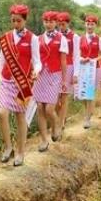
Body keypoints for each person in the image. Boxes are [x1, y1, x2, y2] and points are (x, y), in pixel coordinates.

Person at [0, 4, 42, 166]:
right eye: (13, 20)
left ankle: (21, 152)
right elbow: (2, 59)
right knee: (2, 113)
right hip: (6, 80)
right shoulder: (7, 37)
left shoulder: (33, 38)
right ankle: (8, 147)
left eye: (18, 21)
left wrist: (36, 71)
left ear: (24, 20)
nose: (15, 24)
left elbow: (37, 62)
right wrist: (1, 78)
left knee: (20, 117)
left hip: (23, 83)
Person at [32, 11, 68, 150]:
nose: (48, 24)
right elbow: (34, 59)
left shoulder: (61, 39)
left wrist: (64, 81)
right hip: (41, 75)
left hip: (55, 74)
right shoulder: (38, 39)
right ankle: (43, 140)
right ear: (43, 22)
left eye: (51, 21)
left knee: (49, 109)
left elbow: (63, 61)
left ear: (56, 23)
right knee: (40, 108)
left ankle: (56, 125)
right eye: (46, 21)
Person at [76, 14, 101, 129]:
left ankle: (87, 118)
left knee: (90, 93)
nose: (89, 26)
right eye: (88, 24)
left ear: (95, 26)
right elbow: (76, 54)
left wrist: (93, 60)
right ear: (85, 25)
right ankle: (88, 111)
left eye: (92, 24)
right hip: (83, 68)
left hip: (94, 69)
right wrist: (81, 59)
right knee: (83, 94)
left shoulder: (99, 39)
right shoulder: (80, 39)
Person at [55, 11, 79, 137]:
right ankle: (59, 119)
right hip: (56, 69)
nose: (61, 26)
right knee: (55, 98)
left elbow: (76, 56)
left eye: (63, 24)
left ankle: (61, 123)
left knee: (64, 96)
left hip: (69, 68)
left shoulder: (74, 37)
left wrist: (76, 73)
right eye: (59, 24)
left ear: (68, 23)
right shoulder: (55, 36)